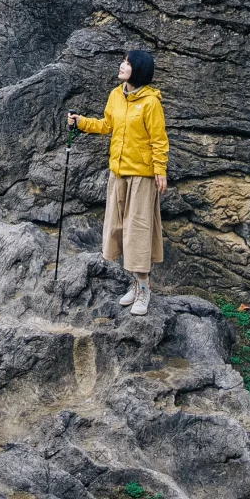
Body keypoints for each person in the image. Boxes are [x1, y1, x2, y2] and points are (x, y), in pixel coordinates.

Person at [68, 49, 168, 316]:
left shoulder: (150, 103)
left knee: (138, 231)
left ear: (138, 69)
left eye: (127, 62)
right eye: (124, 61)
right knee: (120, 229)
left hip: (142, 177)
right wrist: (81, 123)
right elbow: (107, 125)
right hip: (119, 174)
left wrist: (160, 170)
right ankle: (134, 284)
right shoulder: (116, 95)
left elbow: (159, 139)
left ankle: (144, 288)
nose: (122, 65)